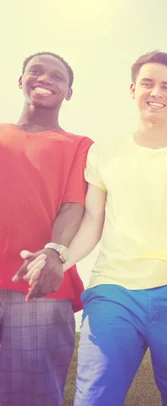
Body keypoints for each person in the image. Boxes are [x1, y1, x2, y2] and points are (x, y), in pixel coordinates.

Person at [27, 51, 167, 405]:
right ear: (133, 90)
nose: (156, 92)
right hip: (112, 292)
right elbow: (92, 222)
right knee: (94, 399)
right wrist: (60, 260)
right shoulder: (104, 153)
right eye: (147, 83)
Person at [0, 51, 92, 406]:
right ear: (19, 80)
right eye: (35, 71)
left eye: (57, 76)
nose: (45, 79)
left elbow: (74, 205)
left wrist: (55, 253)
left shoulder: (79, 146)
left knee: (32, 397)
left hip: (41, 286)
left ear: (69, 92)